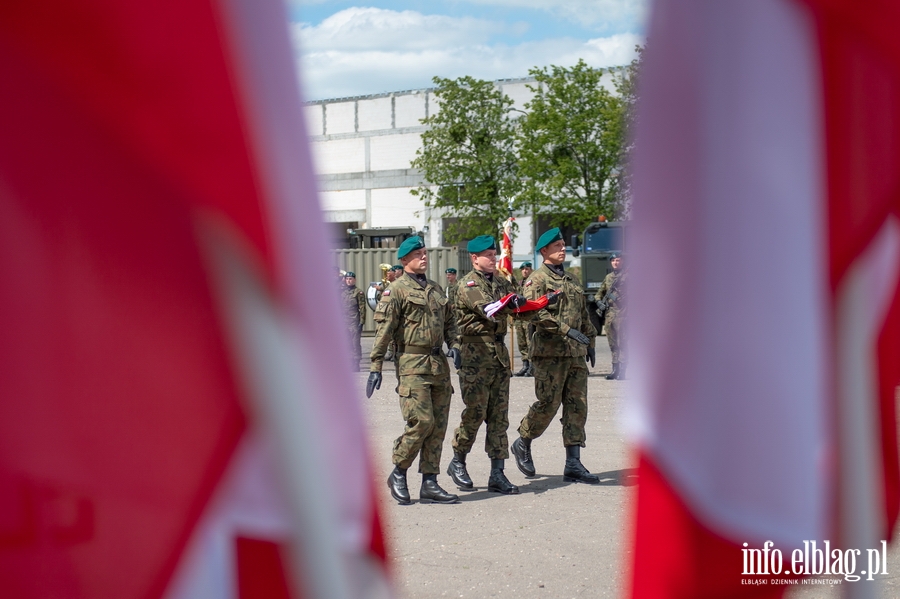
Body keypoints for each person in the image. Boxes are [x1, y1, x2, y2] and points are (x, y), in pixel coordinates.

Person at [366, 237, 462, 505]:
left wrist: (454, 345)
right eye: (418, 254)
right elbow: (383, 331)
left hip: (438, 365)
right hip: (411, 365)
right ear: (404, 260)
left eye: (425, 253)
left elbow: (450, 321)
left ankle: (430, 482)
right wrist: (376, 367)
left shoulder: (435, 288)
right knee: (422, 422)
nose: (424, 257)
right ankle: (399, 471)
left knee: (438, 426)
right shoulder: (395, 290)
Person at [510, 228, 600, 484]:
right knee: (548, 404)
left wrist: (590, 341)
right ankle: (523, 441)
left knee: (577, 405)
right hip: (550, 354)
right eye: (557, 246)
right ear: (544, 252)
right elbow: (530, 313)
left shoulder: (571, 280)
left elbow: (584, 315)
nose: (563, 249)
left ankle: (573, 462)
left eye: (564, 245)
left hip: (575, 354)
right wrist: (565, 330)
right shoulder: (536, 280)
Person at [446, 236, 527, 495]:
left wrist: (536, 304)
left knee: (498, 417)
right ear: (474, 258)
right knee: (475, 413)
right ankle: (458, 460)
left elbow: (517, 306)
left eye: (495, 254)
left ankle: (497, 473)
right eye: (488, 255)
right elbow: (488, 309)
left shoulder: (502, 282)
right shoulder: (467, 284)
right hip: (475, 356)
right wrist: (509, 303)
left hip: (498, 355)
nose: (494, 258)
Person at [597, 252, 626, 380]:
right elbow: (599, 292)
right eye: (613, 260)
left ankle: (623, 371)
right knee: (612, 343)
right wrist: (599, 302)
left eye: (618, 260)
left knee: (623, 343)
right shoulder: (608, 277)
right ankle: (615, 369)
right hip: (610, 315)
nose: (616, 262)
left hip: (624, 314)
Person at [513, 262, 534, 377]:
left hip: (529, 317)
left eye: (527, 269)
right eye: (523, 269)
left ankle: (532, 366)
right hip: (519, 317)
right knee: (522, 342)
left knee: (530, 342)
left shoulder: (533, 282)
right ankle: (525, 364)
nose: (525, 271)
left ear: (531, 270)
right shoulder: (520, 284)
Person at [342, 272, 366, 370]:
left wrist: (362, 322)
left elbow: (362, 308)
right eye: (347, 279)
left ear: (354, 280)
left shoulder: (358, 292)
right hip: (343, 321)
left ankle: (356, 363)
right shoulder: (341, 292)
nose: (349, 280)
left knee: (355, 342)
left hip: (354, 321)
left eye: (351, 279)